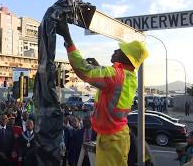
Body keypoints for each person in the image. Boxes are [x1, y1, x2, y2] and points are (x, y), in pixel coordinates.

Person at [57, 18, 149, 166]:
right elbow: (112, 87)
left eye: (119, 50)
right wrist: (99, 67)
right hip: (117, 136)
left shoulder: (115, 75)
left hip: (111, 139)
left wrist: (67, 38)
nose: (115, 51)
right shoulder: (129, 76)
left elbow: (84, 70)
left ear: (126, 58)